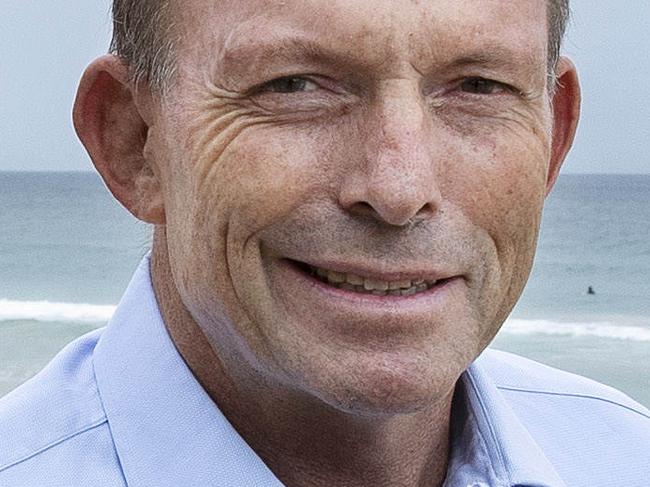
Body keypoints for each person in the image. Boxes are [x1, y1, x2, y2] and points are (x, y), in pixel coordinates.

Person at [1, 0, 648, 485]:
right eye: (294, 85)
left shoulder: (621, 455)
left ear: (553, 138)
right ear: (134, 143)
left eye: (478, 87)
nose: (399, 188)